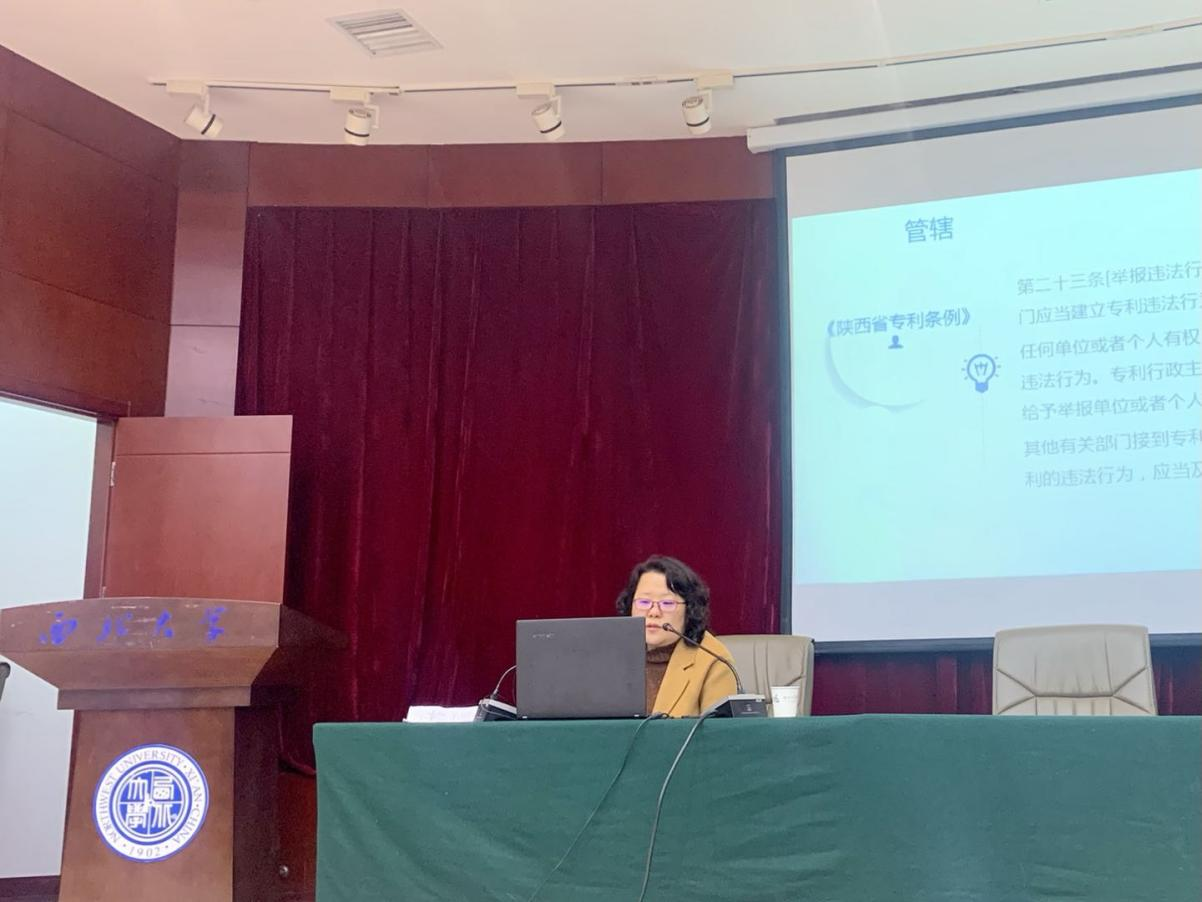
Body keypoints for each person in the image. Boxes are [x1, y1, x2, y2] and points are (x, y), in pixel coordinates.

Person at [615, 555, 737, 717]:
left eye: (667, 603)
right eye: (644, 602)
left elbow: (718, 731)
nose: (653, 612)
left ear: (689, 609)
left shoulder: (713, 660)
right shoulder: (611, 653)